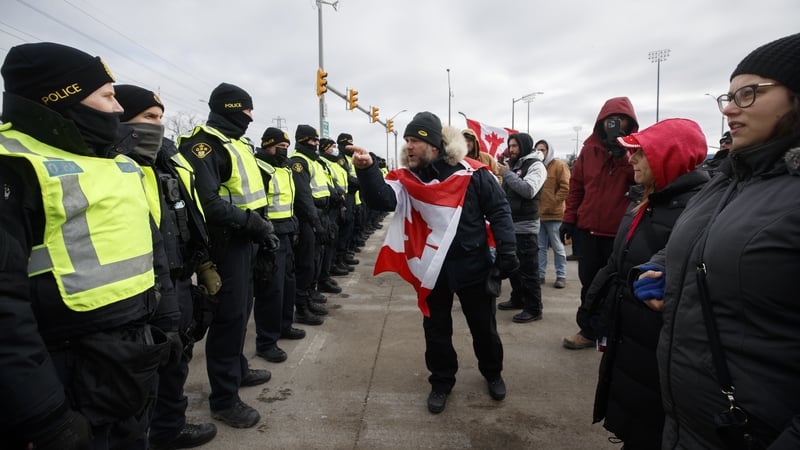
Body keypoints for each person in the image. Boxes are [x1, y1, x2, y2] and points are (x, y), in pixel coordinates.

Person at [0, 42, 179, 448]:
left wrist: (167, 326)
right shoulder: (14, 166)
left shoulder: (118, 163)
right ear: (61, 97)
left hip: (129, 360)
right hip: (64, 375)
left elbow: (154, 255)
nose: (118, 109)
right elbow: (5, 313)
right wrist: (45, 415)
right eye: (107, 95)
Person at [636, 32, 800, 449]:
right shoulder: (728, 179)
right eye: (727, 96)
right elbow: (691, 244)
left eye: (747, 94)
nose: (729, 108)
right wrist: (658, 268)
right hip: (690, 421)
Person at [352, 112, 519, 414]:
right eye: (406, 140)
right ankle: (441, 382)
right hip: (433, 270)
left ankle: (493, 373)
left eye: (415, 140)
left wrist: (508, 254)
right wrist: (367, 171)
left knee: (484, 329)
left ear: (434, 145)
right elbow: (382, 200)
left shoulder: (474, 174)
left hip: (473, 267)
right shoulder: (409, 179)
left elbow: (500, 211)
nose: (409, 146)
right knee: (436, 330)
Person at [588, 119, 709, 449]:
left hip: (660, 344)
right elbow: (618, 262)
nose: (631, 160)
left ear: (667, 158)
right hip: (633, 337)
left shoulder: (698, 211)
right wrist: (593, 310)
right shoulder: (645, 200)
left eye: (640, 154)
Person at [114, 84, 219, 449]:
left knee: (178, 358)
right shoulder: (116, 166)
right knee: (145, 373)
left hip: (178, 278)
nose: (157, 126)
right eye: (148, 117)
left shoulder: (167, 163)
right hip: (142, 290)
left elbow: (188, 218)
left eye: (160, 118)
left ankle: (170, 427)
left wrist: (203, 262)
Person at [178, 82, 277, 429]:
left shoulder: (237, 144)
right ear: (230, 109)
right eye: (246, 110)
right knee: (229, 317)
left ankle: (238, 369)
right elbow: (210, 204)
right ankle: (223, 398)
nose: (251, 116)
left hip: (246, 238)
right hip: (226, 241)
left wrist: (261, 230)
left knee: (243, 310)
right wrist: (255, 225)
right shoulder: (204, 146)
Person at [560, 97, 638, 350]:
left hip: (620, 232)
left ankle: (616, 332)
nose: (614, 123)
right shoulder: (588, 151)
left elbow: (643, 183)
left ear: (630, 122)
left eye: (620, 119)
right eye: (609, 119)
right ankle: (590, 330)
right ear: (601, 122)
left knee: (619, 286)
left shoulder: (637, 150)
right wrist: (569, 220)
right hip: (588, 231)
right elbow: (576, 187)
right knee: (590, 284)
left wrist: (623, 157)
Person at [253, 127, 307, 364]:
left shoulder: (284, 169)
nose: (283, 151)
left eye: (286, 147)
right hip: (269, 234)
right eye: (279, 147)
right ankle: (267, 342)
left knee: (287, 283)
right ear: (267, 145)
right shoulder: (260, 168)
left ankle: (285, 326)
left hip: (287, 231)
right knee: (271, 290)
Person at [496, 132, 547, 323]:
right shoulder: (514, 164)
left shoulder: (536, 166)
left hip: (526, 226)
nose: (511, 149)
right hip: (511, 224)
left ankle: (534, 308)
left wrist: (507, 174)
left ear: (524, 146)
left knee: (528, 270)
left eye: (515, 146)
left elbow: (528, 190)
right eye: (510, 146)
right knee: (514, 268)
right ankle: (518, 299)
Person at [288, 124, 330, 323]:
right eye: (313, 140)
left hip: (320, 214)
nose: (316, 144)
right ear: (303, 140)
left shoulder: (314, 161)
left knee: (315, 261)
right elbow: (304, 197)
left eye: (317, 140)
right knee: (305, 264)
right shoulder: (299, 162)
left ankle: (309, 296)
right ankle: (301, 308)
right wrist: (315, 223)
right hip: (307, 218)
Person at [535, 139, 570, 289]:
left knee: (558, 246)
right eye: (537, 150)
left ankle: (561, 275)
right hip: (538, 215)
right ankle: (540, 275)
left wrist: (553, 203)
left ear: (549, 151)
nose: (540, 153)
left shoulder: (559, 165)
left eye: (542, 150)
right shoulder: (535, 166)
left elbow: (565, 187)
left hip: (554, 215)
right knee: (540, 247)